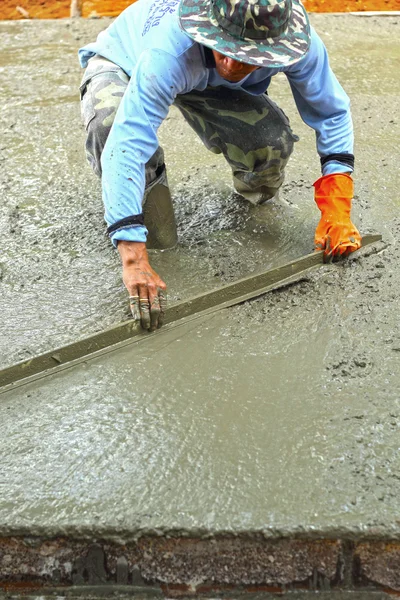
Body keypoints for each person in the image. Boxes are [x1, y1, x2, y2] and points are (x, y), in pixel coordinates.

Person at [78, 0, 362, 331]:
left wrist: (337, 206)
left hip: (202, 75)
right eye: (225, 47)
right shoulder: (169, 52)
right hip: (124, 61)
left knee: (269, 139)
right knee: (110, 126)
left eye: (244, 56)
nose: (229, 62)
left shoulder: (298, 44)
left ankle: (257, 201)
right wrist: (132, 254)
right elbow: (128, 142)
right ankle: (151, 241)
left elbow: (332, 113)